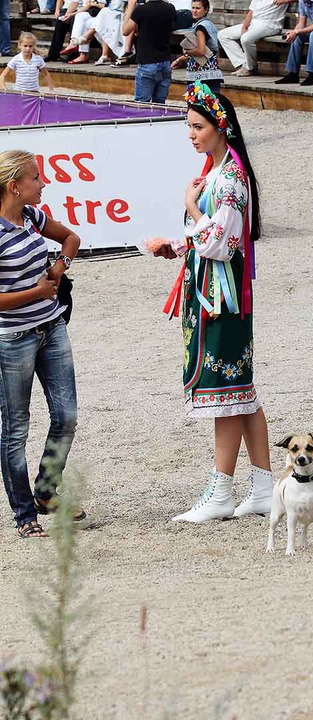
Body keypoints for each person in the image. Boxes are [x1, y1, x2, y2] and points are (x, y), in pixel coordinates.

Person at [154, 82, 272, 523]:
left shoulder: (229, 178)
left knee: (226, 390)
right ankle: (261, 487)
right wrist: (177, 244)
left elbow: (221, 241)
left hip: (220, 296)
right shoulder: (222, 171)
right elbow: (212, 239)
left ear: (220, 128)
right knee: (240, 389)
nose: (191, 134)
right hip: (218, 290)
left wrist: (190, 206)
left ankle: (221, 490)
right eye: (189, 126)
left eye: (197, 126)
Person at [0, 150, 82, 540]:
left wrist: (59, 267)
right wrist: (35, 292)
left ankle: (46, 492)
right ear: (14, 185)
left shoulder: (32, 217)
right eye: (36, 178)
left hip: (51, 328)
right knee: (16, 429)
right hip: (11, 340)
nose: (43, 183)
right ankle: (22, 514)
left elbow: (71, 237)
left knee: (66, 416)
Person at [123, 0, 177, 104]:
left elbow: (125, 31)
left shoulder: (141, 10)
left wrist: (130, 7)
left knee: (142, 104)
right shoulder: (170, 8)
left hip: (147, 61)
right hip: (165, 61)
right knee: (160, 104)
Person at [218, 0, 288, 77]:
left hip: (270, 25)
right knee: (222, 35)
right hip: (254, 23)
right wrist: (244, 27)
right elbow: (252, 11)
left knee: (246, 39)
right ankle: (243, 64)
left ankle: (250, 68)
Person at [171, 0, 224, 93]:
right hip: (212, 69)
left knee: (199, 103)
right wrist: (179, 60)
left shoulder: (201, 27)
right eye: (193, 8)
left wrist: (187, 51)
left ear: (206, 10)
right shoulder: (210, 24)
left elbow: (201, 51)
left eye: (198, 8)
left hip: (201, 72)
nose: (194, 11)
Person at [70, 0, 136, 65]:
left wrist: (95, 4)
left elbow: (114, 7)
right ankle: (89, 49)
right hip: (111, 14)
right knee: (88, 18)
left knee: (104, 15)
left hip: (123, 13)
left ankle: (86, 37)